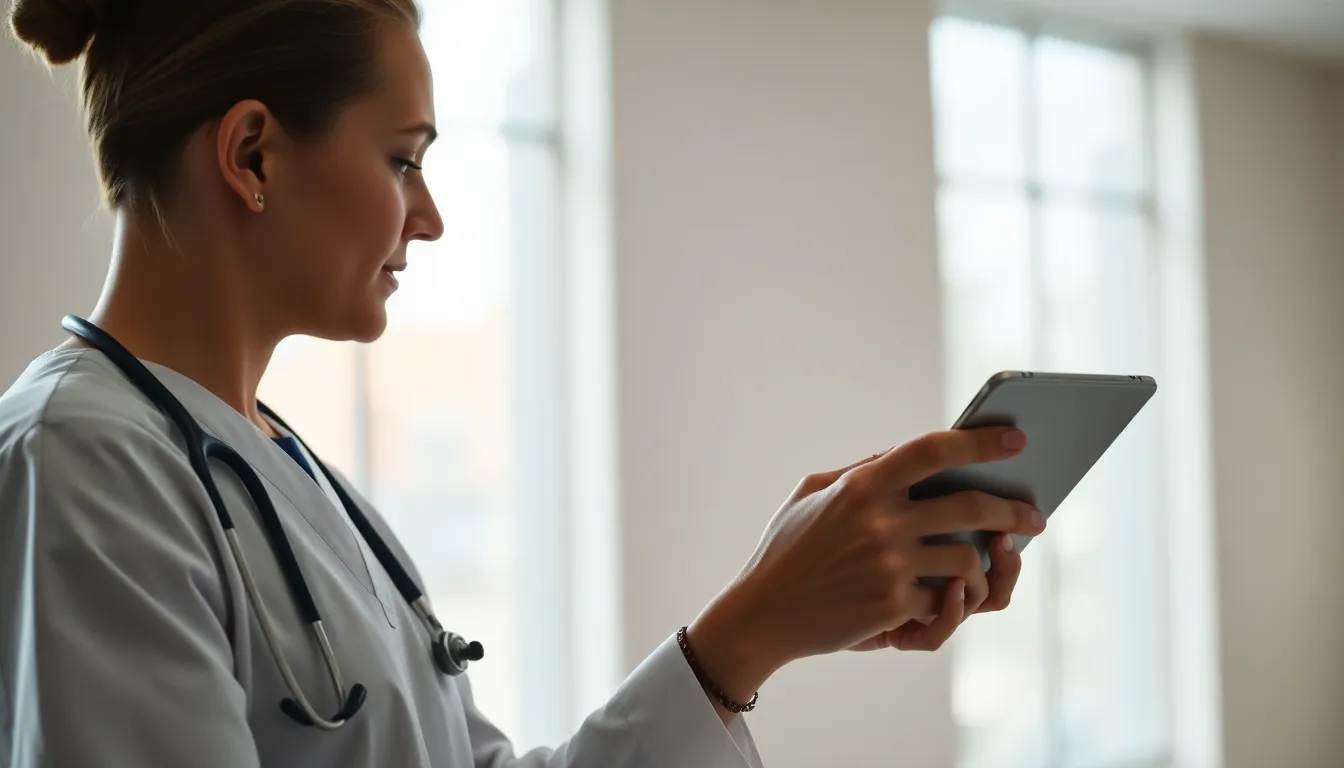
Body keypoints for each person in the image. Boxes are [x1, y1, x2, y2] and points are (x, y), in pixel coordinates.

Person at [0, 1, 1046, 766]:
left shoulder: (284, 474)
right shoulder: (87, 461)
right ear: (253, 155)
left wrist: (756, 629)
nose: (429, 217)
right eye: (403, 160)